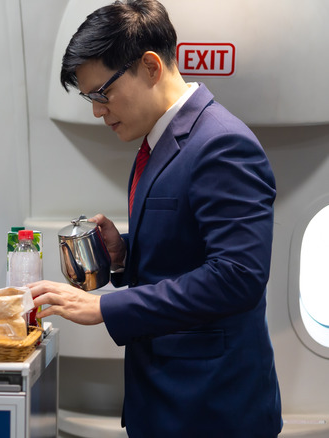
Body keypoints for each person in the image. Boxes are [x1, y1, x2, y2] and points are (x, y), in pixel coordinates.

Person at [29, 1, 282, 437]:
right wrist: (126, 255)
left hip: (213, 407)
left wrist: (105, 307)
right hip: (168, 398)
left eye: (101, 93)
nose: (97, 110)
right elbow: (190, 251)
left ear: (149, 66)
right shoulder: (159, 142)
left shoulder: (222, 144)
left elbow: (237, 276)